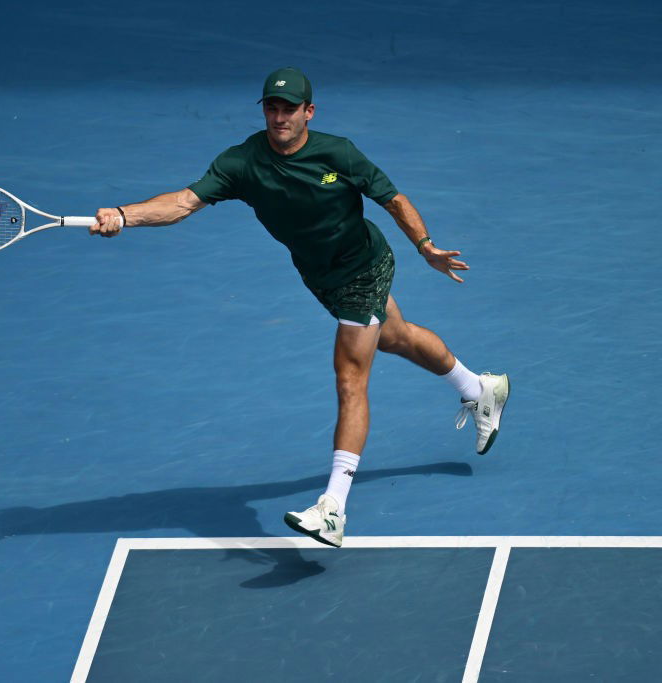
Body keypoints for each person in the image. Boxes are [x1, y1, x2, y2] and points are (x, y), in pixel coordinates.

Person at [88, 67, 509, 548]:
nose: (280, 116)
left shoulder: (338, 152)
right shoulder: (243, 161)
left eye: (290, 108)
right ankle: (480, 387)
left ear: (309, 111)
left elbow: (392, 199)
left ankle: (333, 507)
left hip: (362, 268)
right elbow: (183, 203)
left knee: (350, 377)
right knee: (396, 337)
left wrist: (425, 245)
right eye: (272, 107)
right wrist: (125, 215)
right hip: (320, 276)